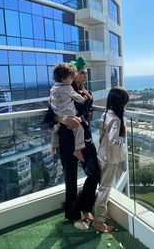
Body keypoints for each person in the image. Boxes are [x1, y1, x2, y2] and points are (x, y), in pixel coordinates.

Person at [53, 56, 100, 230]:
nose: (85, 75)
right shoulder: (63, 90)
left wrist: (79, 118)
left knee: (95, 172)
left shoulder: (87, 92)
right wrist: (66, 119)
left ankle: (85, 205)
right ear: (73, 75)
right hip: (67, 138)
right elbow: (51, 115)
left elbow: (87, 113)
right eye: (82, 73)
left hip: (84, 136)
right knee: (70, 177)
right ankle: (73, 215)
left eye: (86, 73)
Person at [92, 87, 129, 233]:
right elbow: (114, 140)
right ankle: (99, 220)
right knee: (105, 188)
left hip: (101, 153)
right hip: (110, 157)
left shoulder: (105, 114)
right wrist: (122, 137)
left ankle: (99, 213)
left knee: (101, 185)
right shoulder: (116, 119)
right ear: (121, 103)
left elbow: (104, 135)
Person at [49, 63, 90, 162]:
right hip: (69, 119)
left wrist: (62, 118)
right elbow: (78, 98)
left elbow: (50, 103)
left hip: (60, 116)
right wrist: (83, 99)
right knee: (79, 129)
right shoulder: (68, 88)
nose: (86, 76)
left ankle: (53, 146)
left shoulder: (53, 88)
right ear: (64, 78)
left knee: (55, 130)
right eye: (72, 77)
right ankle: (78, 150)